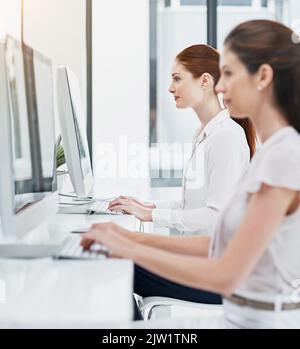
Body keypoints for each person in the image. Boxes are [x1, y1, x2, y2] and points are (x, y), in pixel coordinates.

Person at [82, 19, 300, 328]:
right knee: (117, 277)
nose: (220, 87)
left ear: (263, 76)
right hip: (243, 314)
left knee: (118, 283)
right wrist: (128, 238)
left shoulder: (282, 156)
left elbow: (227, 272)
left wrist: (130, 247)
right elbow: (221, 242)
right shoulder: (273, 152)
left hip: (252, 320)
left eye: (229, 74)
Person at [108, 44, 256, 236]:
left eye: (177, 79)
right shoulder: (204, 133)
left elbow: (216, 215)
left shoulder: (225, 137)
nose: (170, 88)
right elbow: (194, 205)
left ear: (204, 81)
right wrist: (149, 206)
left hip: (208, 259)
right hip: (196, 252)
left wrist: (151, 214)